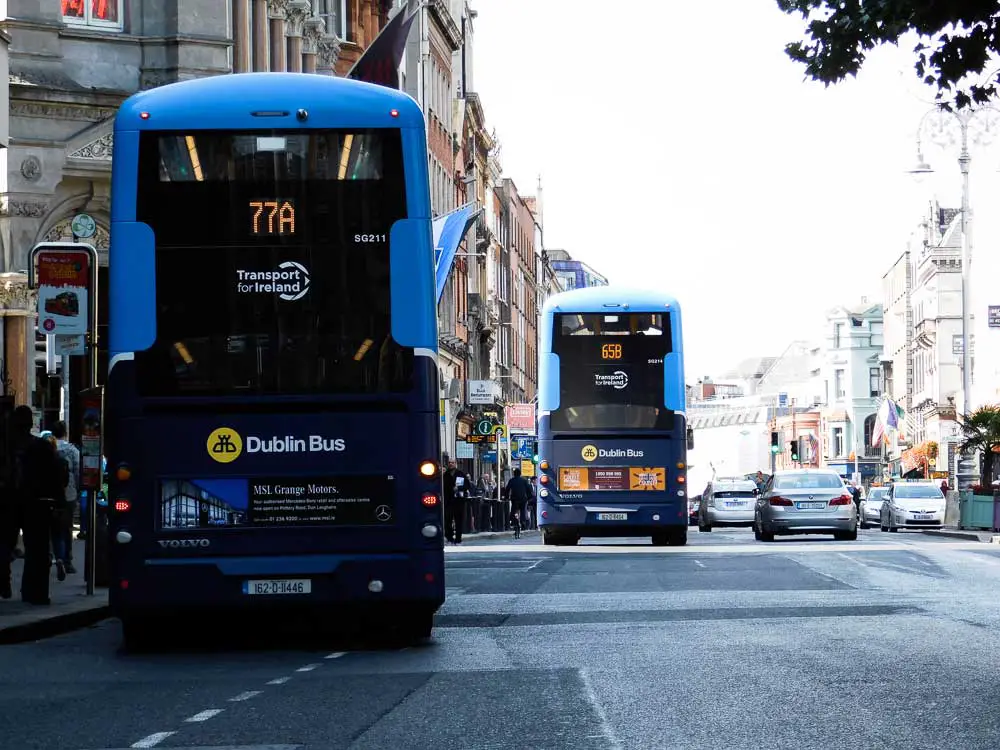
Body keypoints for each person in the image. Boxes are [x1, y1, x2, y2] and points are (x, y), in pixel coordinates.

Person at [10, 407, 64, 605]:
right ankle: (35, 592)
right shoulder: (41, 447)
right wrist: (59, 502)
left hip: (11, 501)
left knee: (9, 546)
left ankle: (9, 582)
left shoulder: (9, 446)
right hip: (38, 504)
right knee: (38, 550)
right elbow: (56, 476)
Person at [51, 422, 80, 575]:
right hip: (69, 493)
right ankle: (67, 560)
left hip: (51, 493)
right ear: (65, 433)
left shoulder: (49, 448)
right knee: (67, 527)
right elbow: (78, 472)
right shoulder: (72, 451)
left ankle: (54, 556)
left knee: (53, 528)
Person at [442, 460, 471, 544]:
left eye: (452, 462)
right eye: (449, 462)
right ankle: (449, 537)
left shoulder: (460, 474)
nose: (451, 464)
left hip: (459, 501)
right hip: (448, 501)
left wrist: (459, 488)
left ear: (456, 464)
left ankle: (458, 538)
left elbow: (467, 485)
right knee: (447, 520)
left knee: (458, 520)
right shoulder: (445, 475)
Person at [504, 468, 534, 534]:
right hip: (523, 499)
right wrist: (529, 497)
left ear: (514, 474)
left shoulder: (511, 480)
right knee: (523, 511)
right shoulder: (524, 480)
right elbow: (528, 489)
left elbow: (507, 489)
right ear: (520, 474)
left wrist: (506, 497)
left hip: (514, 499)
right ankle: (523, 523)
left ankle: (514, 522)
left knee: (514, 510)